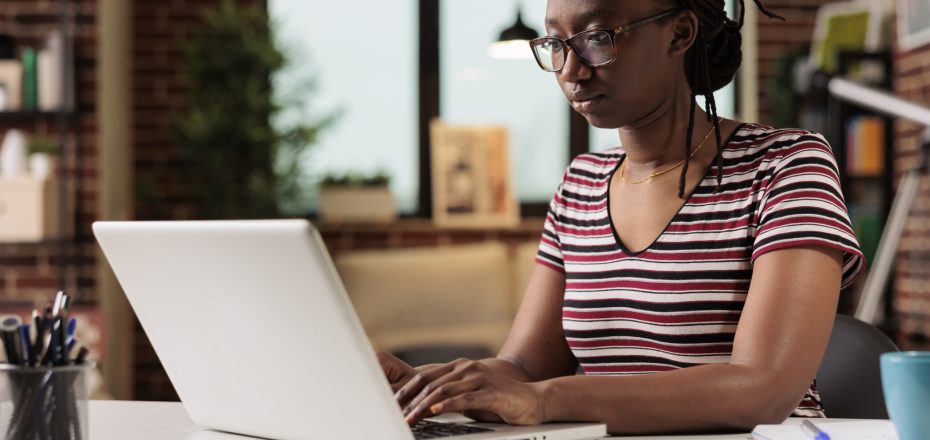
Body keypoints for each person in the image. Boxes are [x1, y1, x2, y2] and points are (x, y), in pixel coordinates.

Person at [378, 0, 865, 434]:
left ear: (679, 34)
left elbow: (763, 388)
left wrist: (549, 399)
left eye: (595, 39)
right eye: (555, 44)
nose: (571, 70)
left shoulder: (786, 165)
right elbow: (525, 366)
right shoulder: (581, 182)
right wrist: (429, 386)